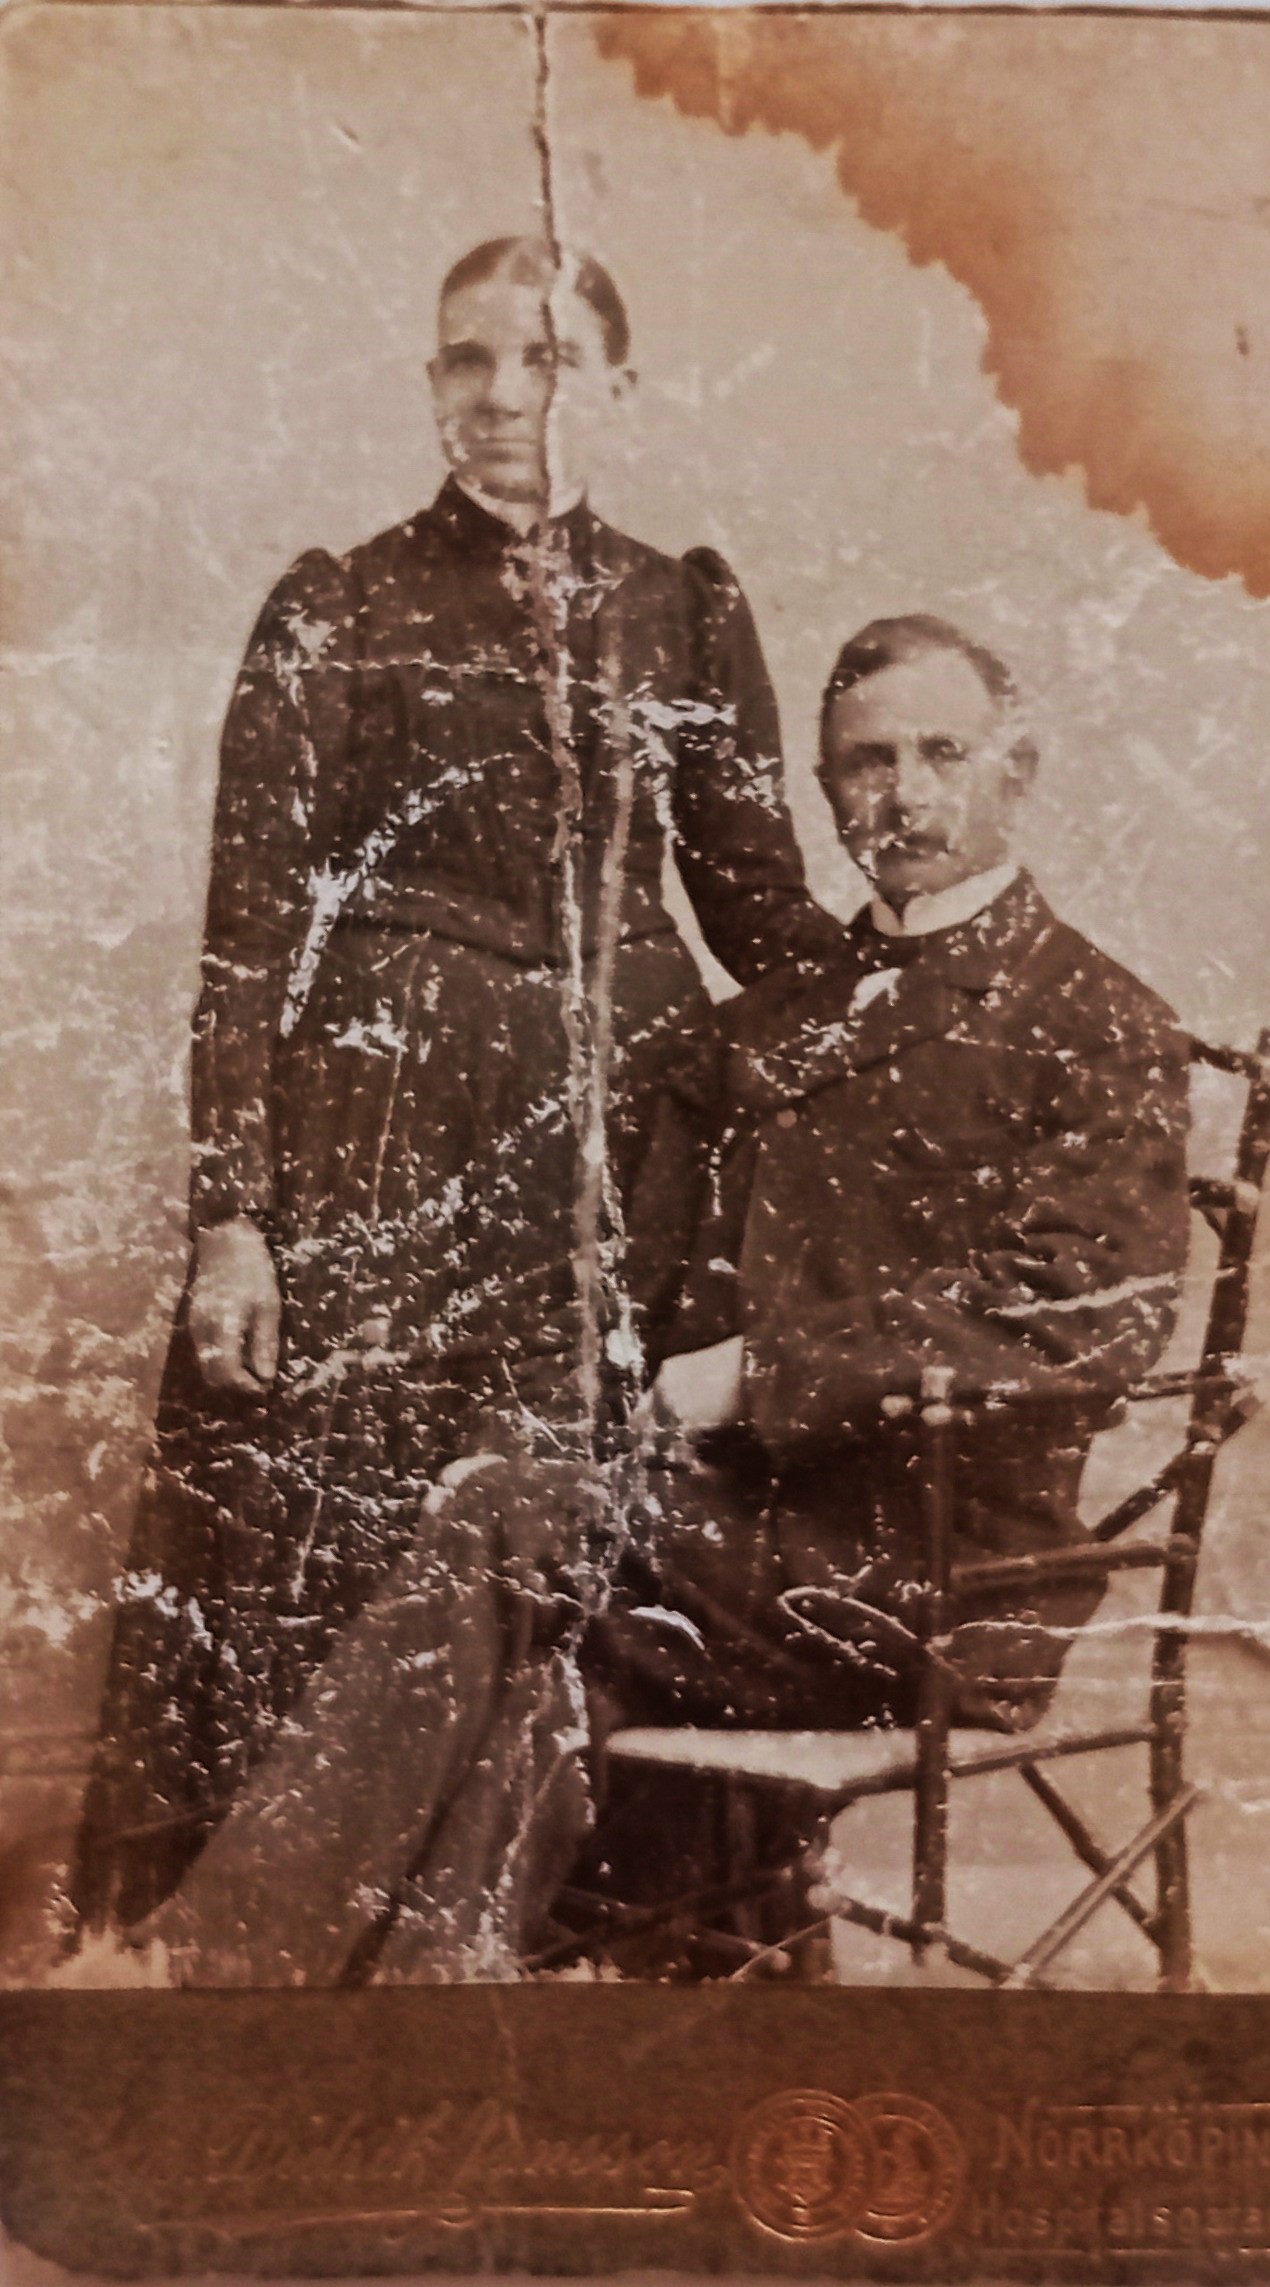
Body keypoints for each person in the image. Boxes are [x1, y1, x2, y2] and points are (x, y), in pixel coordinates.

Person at [120, 609, 1190, 1986]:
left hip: (938, 1574)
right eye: (866, 763)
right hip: (732, 1550)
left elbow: (1082, 1320)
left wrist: (752, 1376)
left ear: (1017, 769)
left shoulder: (1095, 1019)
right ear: (824, 791)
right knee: (529, 1644)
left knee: (512, 1529)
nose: (904, 794)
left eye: (943, 753)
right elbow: (632, 1286)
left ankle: (216, 1980)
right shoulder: (764, 1024)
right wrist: (551, 1414)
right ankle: (416, 2024)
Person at [66, 234, 840, 1947]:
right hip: (384, 1163)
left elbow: (759, 912)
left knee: (576, 1538)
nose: (504, 396)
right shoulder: (336, 606)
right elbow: (248, 943)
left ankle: (575, 1943)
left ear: (615, 385)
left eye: (545, 358)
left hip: (617, 1175)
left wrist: (915, 986)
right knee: (355, 1553)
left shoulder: (686, 608)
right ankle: (295, 1958)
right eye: (467, 360)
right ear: (430, 383)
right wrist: (234, 1221)